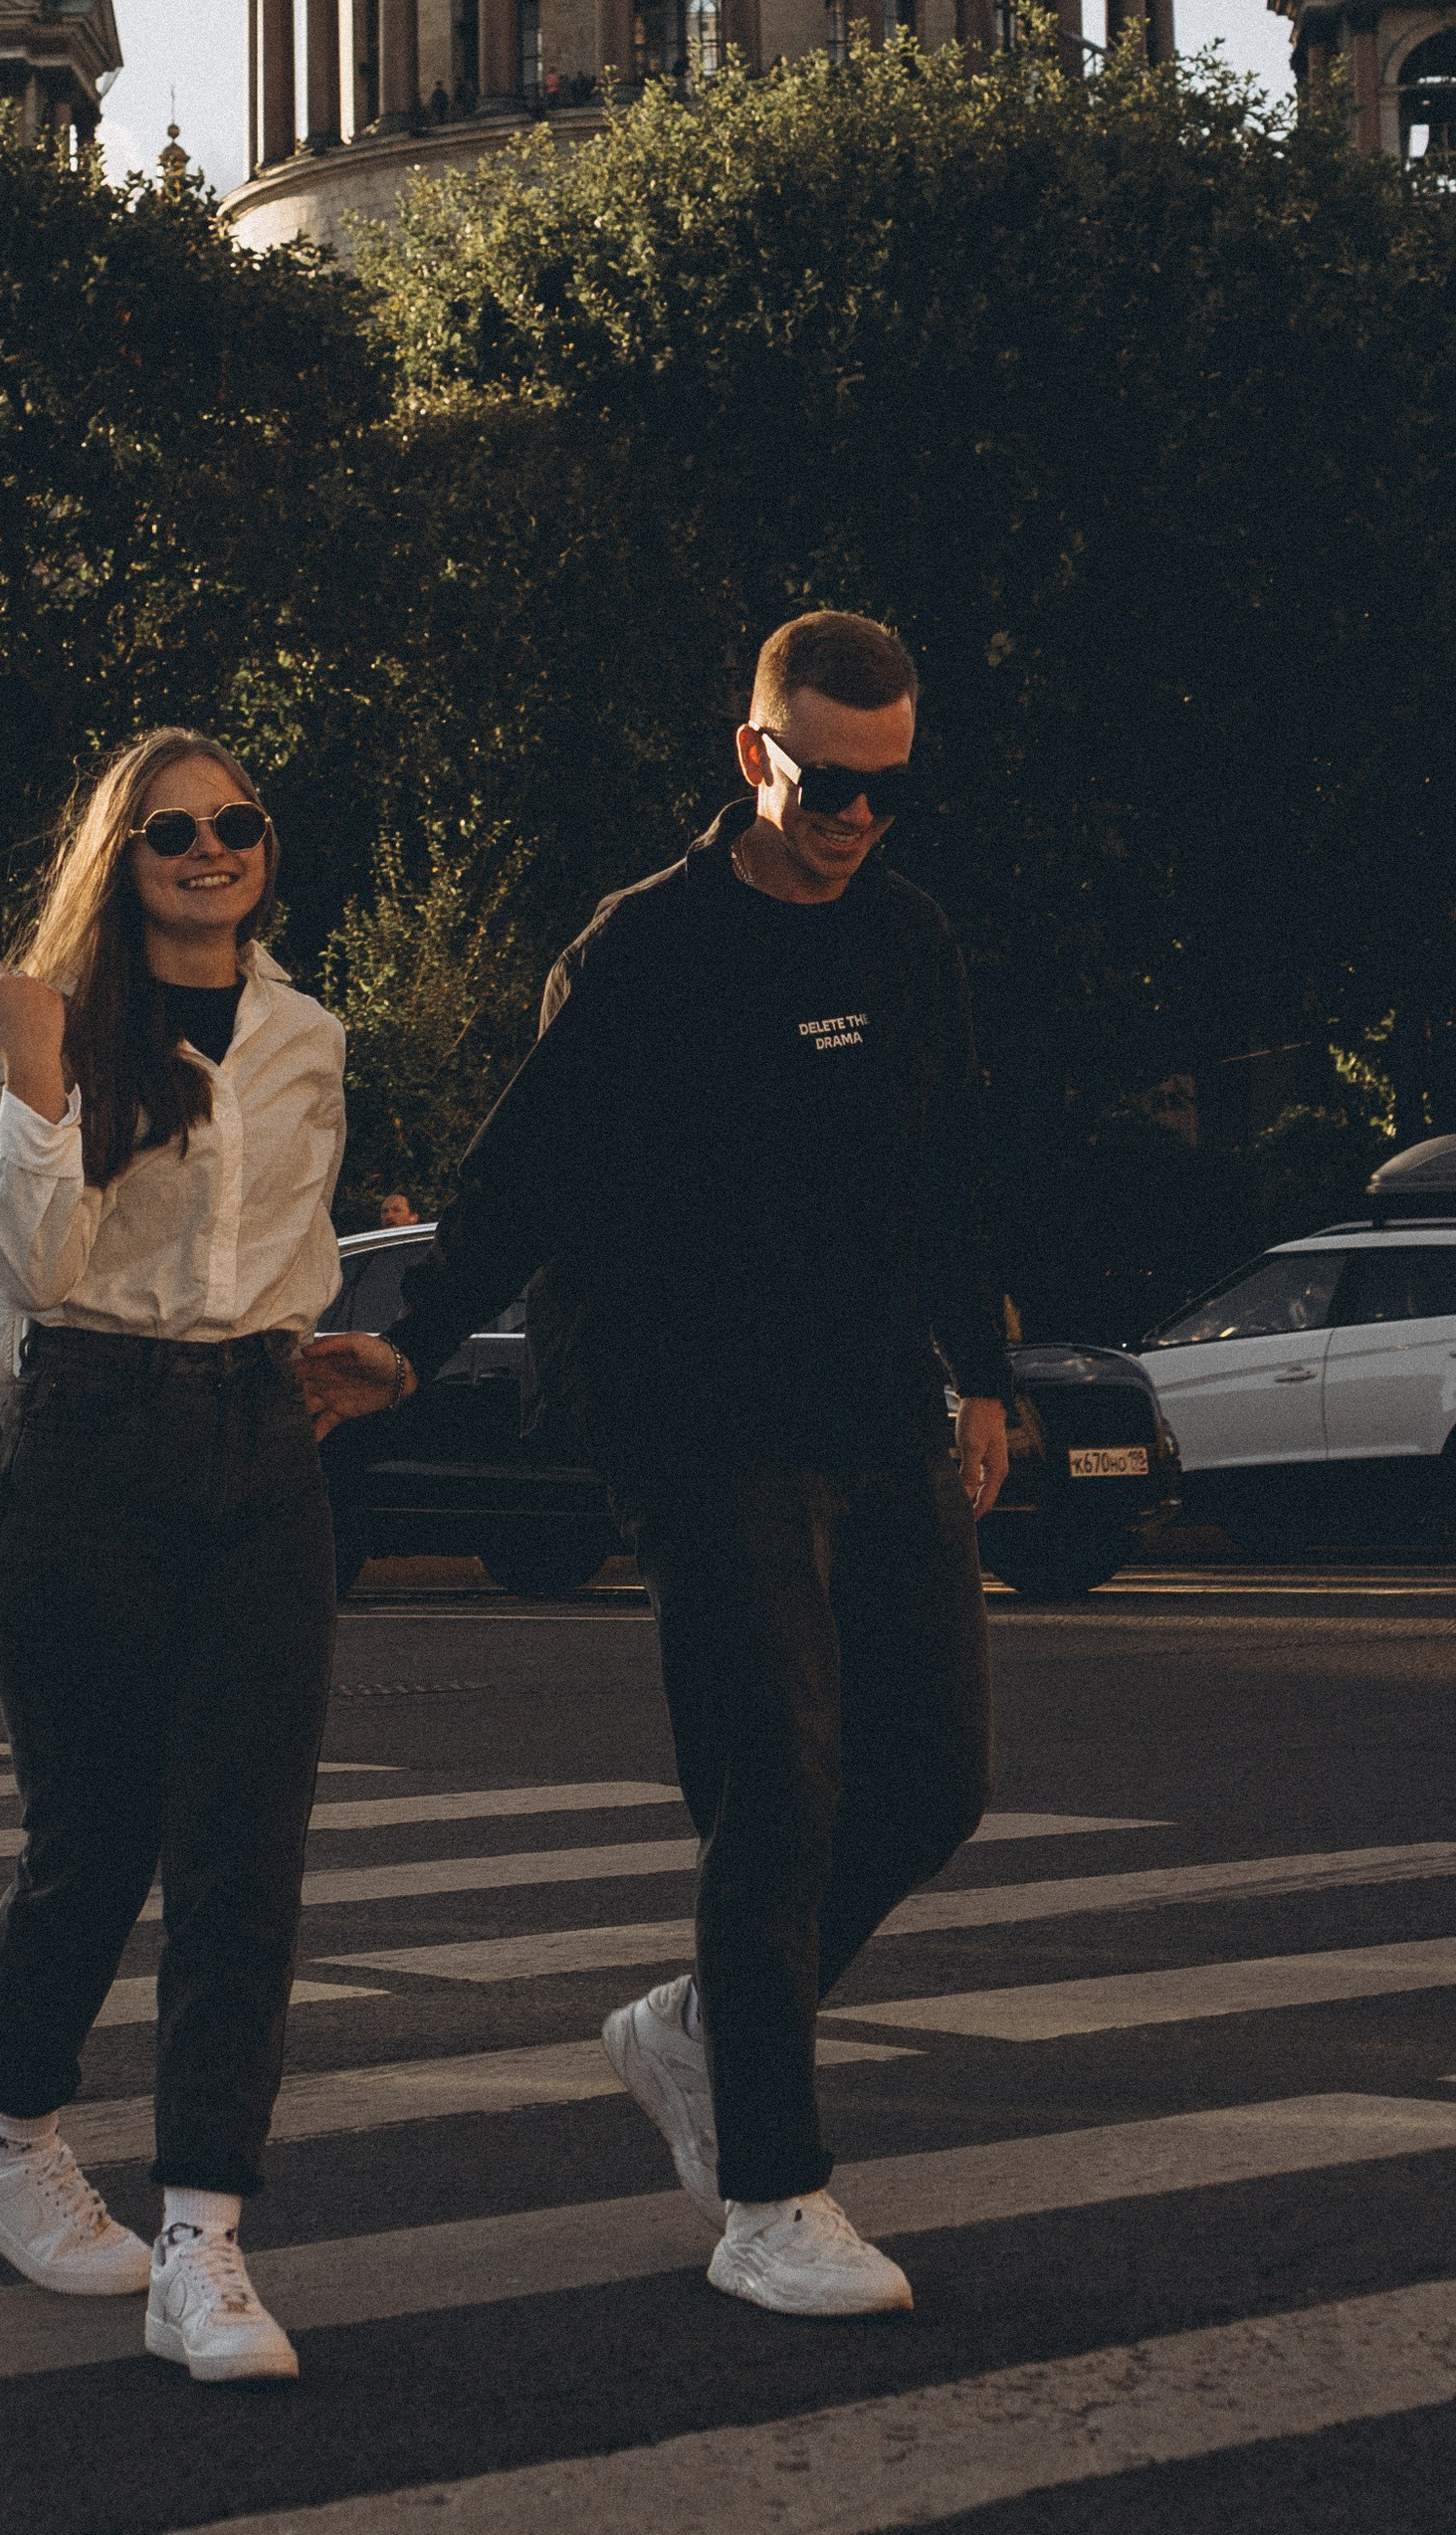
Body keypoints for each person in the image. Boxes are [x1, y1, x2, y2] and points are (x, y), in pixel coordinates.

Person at [303, 610, 1010, 2320]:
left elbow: (951, 1174)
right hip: (692, 1419)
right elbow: (523, 1169)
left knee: (934, 1782)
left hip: (870, 1402)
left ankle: (695, 2029)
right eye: (826, 783)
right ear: (755, 753)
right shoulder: (647, 949)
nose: (854, 819)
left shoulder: (908, 940)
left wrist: (983, 1376)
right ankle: (770, 2198)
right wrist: (412, 1336)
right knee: (775, 1787)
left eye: (887, 789)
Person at [0, 725, 350, 2384]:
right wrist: (37, 1076)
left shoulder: (307, 1033)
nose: (209, 850)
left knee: (246, 1857)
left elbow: (288, 1245)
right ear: (120, 858)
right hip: (88, 1445)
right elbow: (35, 1267)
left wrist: (334, 1347)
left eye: (236, 825)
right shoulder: (45, 1033)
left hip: (261, 1440)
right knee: (94, 1845)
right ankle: (9, 2142)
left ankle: (207, 2242)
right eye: (171, 831)